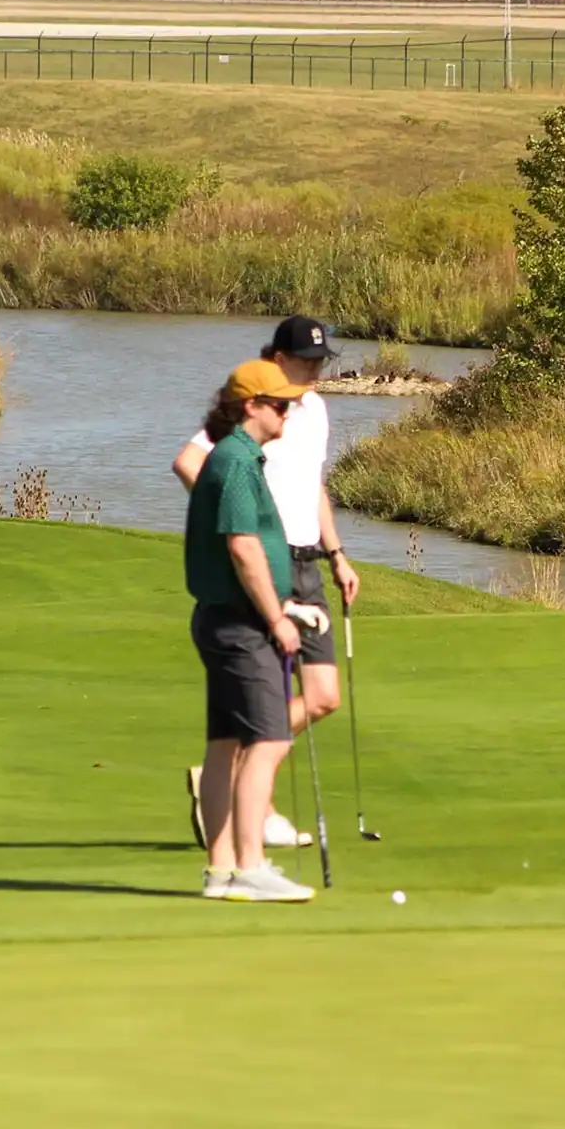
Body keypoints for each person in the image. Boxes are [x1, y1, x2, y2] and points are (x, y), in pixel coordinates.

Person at [172, 316, 360, 849]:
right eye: (306, 363)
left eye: (321, 362)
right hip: (265, 569)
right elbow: (189, 463)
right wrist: (242, 524)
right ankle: (259, 811)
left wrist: (338, 553)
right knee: (267, 698)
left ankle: (234, 777)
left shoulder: (315, 410)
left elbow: (312, 485)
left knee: (323, 697)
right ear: (277, 361)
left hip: (307, 563)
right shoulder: (253, 408)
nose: (316, 373)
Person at [185, 359, 325, 902]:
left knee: (224, 745)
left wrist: (287, 604)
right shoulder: (238, 461)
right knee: (267, 741)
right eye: (279, 403)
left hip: (225, 619)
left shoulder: (232, 457)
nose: (288, 411)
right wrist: (278, 619)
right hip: (242, 627)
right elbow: (244, 548)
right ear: (252, 407)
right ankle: (250, 867)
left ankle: (221, 872)